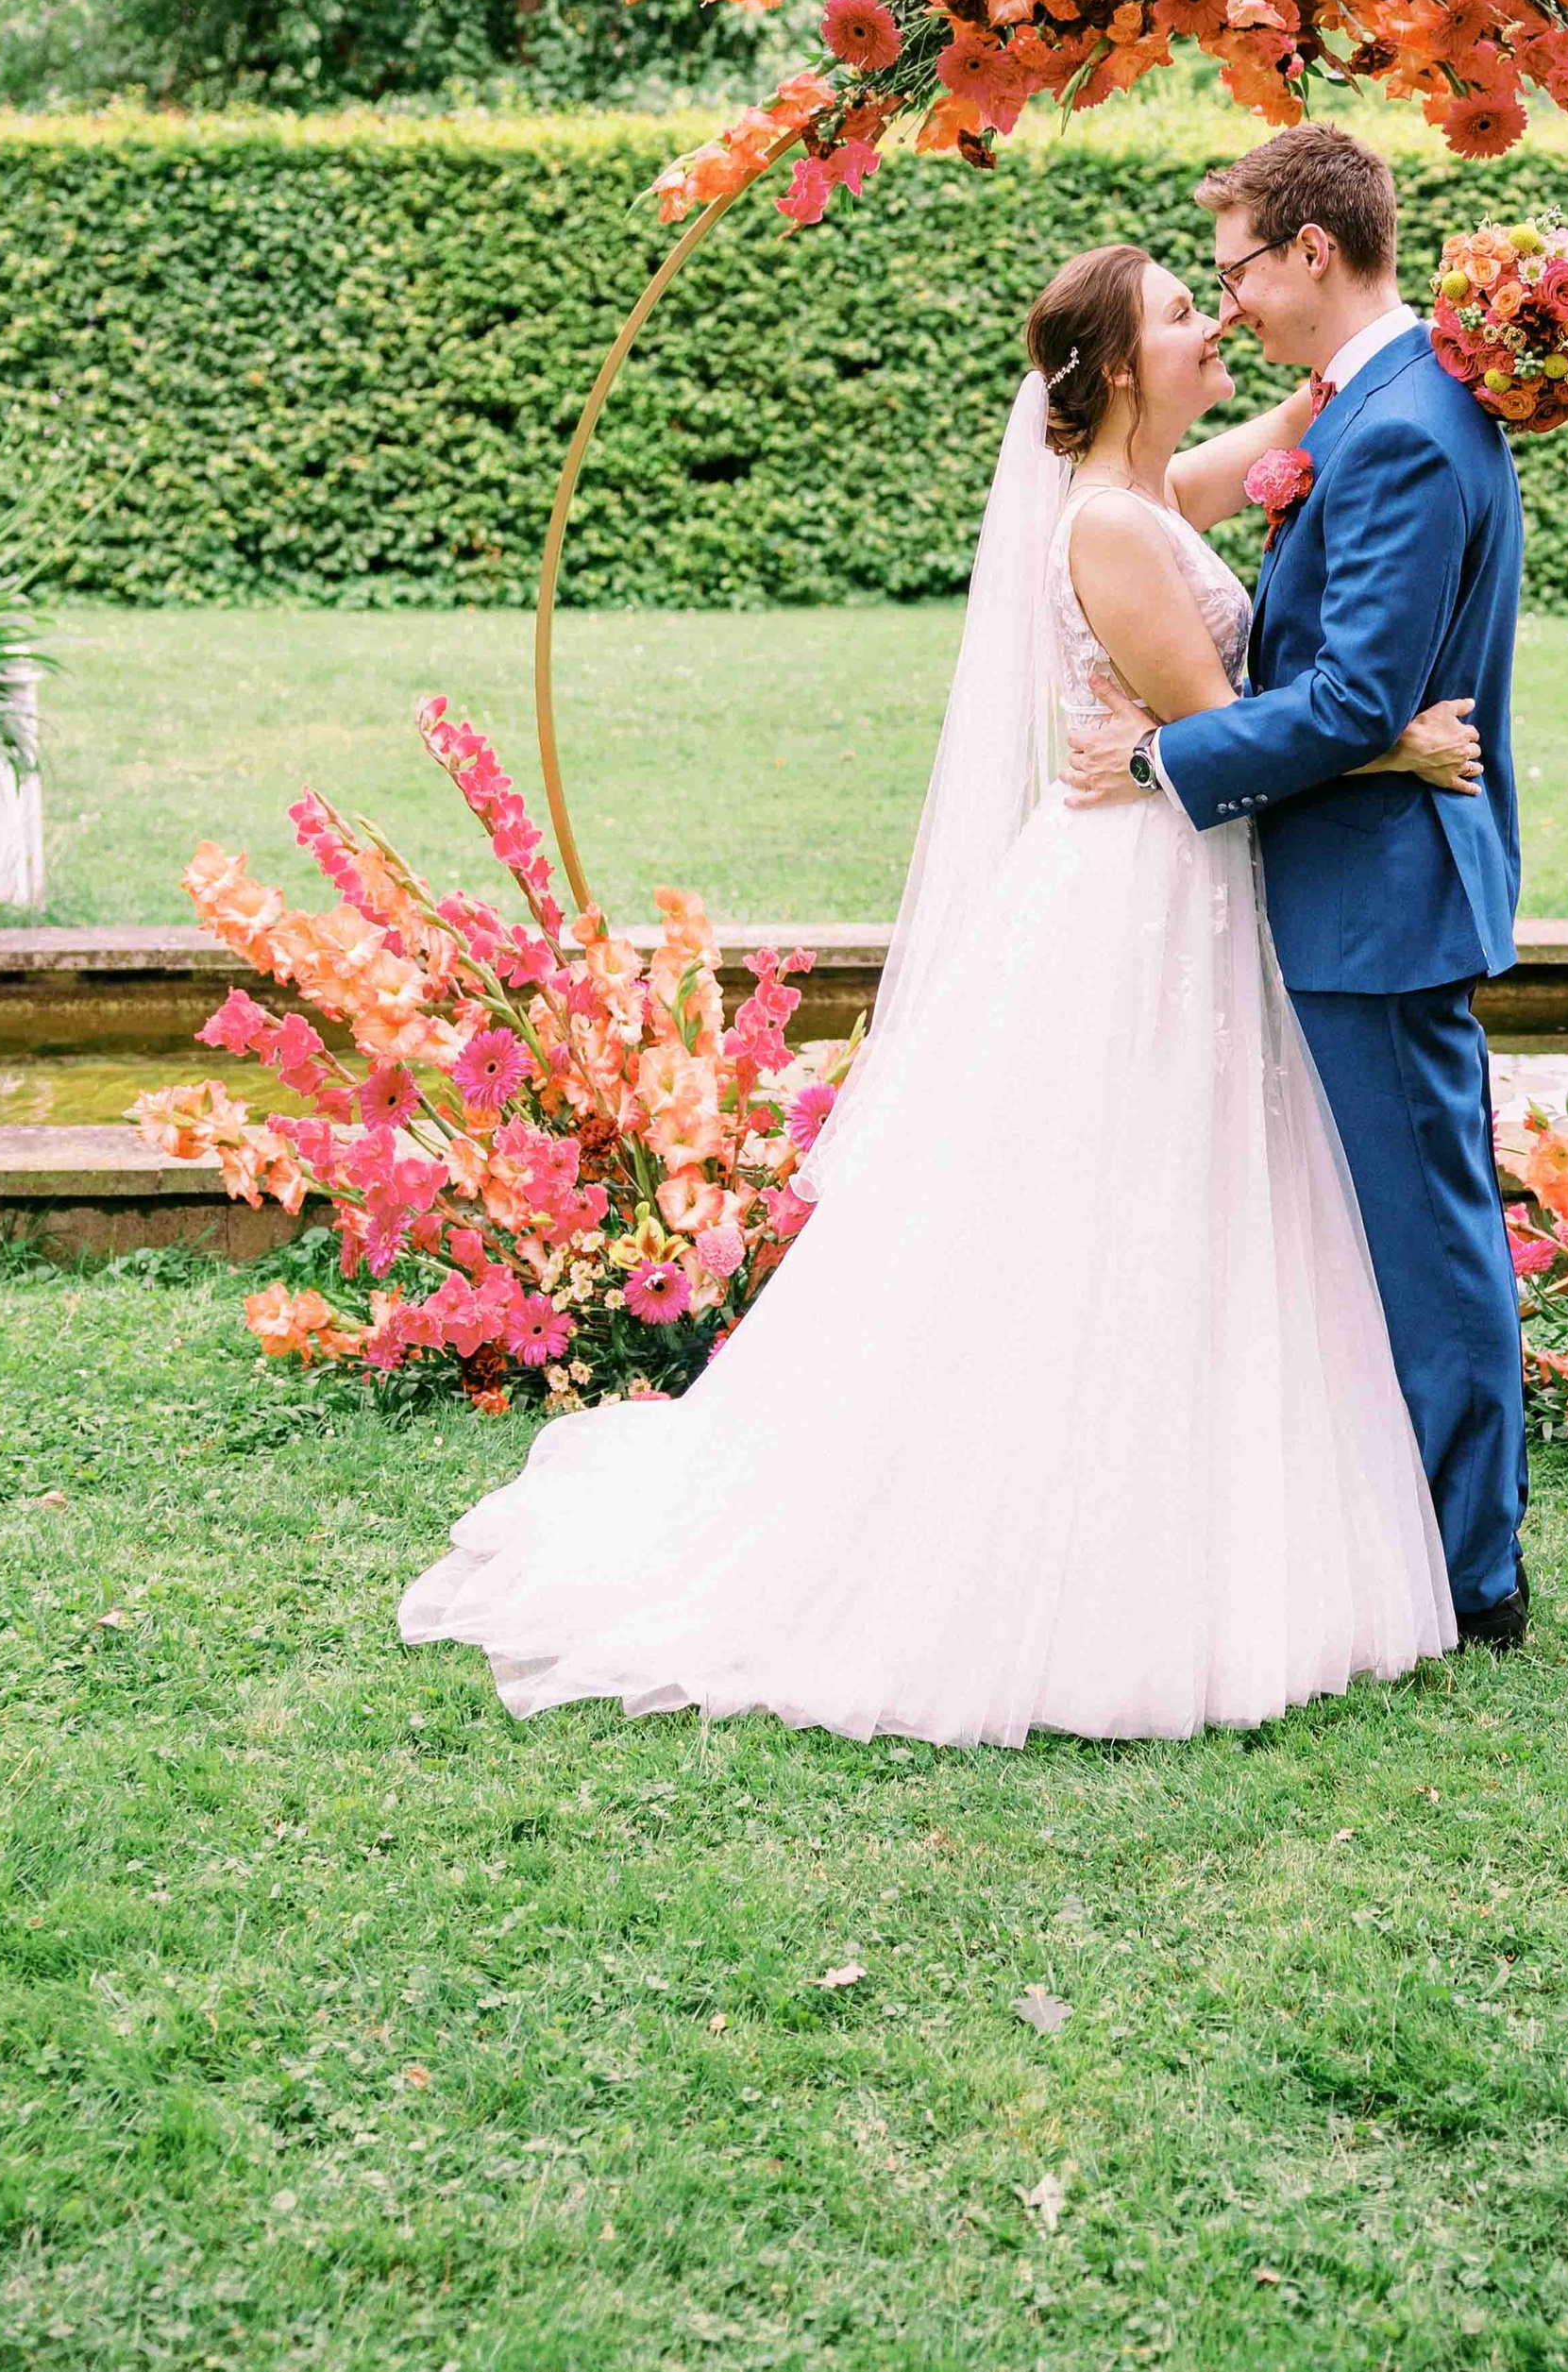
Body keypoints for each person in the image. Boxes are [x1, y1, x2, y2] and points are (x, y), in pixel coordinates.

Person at [396, 239, 1481, 1744]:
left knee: (1167, 1195)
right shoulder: (1115, 526)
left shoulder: (1148, 490)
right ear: (1121, 367)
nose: (1213, 318)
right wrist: (1393, 743)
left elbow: (1282, 436)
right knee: (1109, 1210)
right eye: (1186, 312)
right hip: (1144, 896)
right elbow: (1227, 731)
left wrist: (1383, 350)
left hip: (1168, 880)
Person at [1064, 127, 1530, 1648]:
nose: (1232, 299)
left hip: (1377, 898)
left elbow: (1351, 697)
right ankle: (1408, 1536)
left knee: (1427, 1239)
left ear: (1313, 251)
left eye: (1241, 268)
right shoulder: (1372, 400)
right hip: (1355, 879)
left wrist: (1157, 760)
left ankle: (1474, 1572)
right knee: (1387, 1227)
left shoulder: (1399, 426)